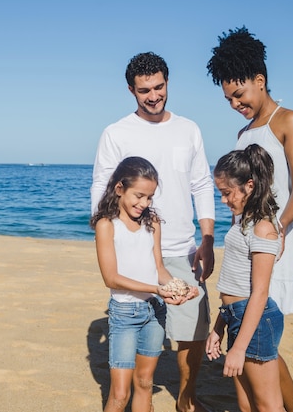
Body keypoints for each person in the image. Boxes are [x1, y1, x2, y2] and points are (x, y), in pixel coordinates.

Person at [91, 52, 215, 412]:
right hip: (137, 253)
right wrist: (112, 238)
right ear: (131, 90)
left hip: (183, 246)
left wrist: (207, 240)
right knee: (136, 370)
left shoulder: (189, 129)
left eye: (159, 87)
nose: (153, 95)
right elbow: (101, 186)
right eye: (144, 90)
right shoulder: (116, 133)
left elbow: (202, 183)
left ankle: (185, 399)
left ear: (167, 83)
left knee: (192, 330)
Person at [207, 26, 293, 412]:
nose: (235, 103)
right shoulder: (242, 132)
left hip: (277, 240)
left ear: (260, 80)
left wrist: (280, 229)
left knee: (263, 338)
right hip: (246, 242)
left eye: (240, 94)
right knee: (258, 340)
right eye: (228, 98)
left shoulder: (290, 121)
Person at [90, 156, 198, 412]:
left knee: (145, 382)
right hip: (124, 314)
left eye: (149, 197)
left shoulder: (152, 223)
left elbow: (159, 269)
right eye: (138, 195)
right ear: (119, 188)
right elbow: (111, 278)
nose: (144, 203)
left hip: (154, 312)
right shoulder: (107, 225)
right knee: (119, 395)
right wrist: (155, 289)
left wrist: (178, 287)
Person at [206, 144, 285, 412]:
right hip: (236, 314)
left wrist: (238, 349)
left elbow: (259, 292)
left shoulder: (263, 228)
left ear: (249, 186)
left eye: (227, 193)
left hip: (256, 319)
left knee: (267, 405)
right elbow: (233, 280)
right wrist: (220, 324)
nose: (223, 200)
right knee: (245, 402)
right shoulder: (243, 222)